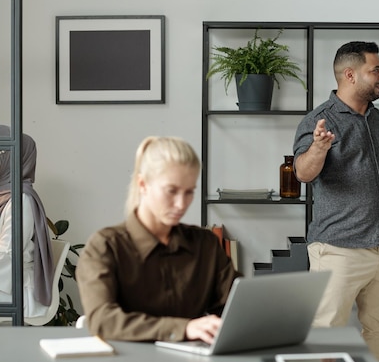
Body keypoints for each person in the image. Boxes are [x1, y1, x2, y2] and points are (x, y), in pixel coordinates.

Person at [293, 41, 379, 362]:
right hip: (337, 250)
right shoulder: (319, 121)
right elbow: (303, 173)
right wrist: (319, 149)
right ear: (350, 74)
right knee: (325, 335)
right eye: (375, 70)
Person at [76, 136, 240, 343]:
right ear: (143, 184)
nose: (182, 204)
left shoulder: (205, 244)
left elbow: (236, 307)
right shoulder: (105, 246)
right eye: (171, 191)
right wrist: (184, 328)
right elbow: (103, 320)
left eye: (189, 192)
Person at [0, 125, 55, 318]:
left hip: (16, 289)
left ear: (14, 160)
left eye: (2, 153)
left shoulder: (21, 199)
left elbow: (9, 253)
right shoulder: (4, 196)